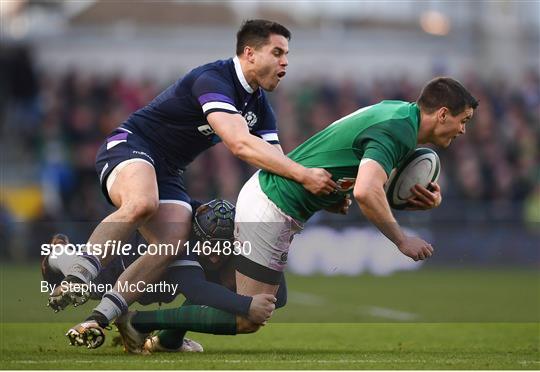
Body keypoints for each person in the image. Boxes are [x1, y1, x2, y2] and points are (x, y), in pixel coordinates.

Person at [49, 19, 336, 333]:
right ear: (250, 53)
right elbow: (239, 143)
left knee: (171, 242)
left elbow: (277, 165)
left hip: (169, 171)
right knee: (142, 202)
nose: (285, 62)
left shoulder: (260, 108)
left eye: (287, 55)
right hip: (131, 145)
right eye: (278, 52)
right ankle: (77, 275)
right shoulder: (214, 79)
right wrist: (305, 174)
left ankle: (100, 317)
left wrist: (319, 196)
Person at [228, 77, 479, 332]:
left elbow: (349, 155)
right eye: (464, 120)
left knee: (271, 299)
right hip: (270, 202)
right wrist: (401, 240)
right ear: (443, 114)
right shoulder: (399, 129)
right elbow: (367, 191)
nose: (463, 130)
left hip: (274, 200)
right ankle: (185, 319)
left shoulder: (401, 115)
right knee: (250, 317)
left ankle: (201, 288)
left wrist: (334, 196)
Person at [42, 200, 287, 351]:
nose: (214, 256)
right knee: (85, 285)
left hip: (162, 283)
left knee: (218, 286)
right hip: (123, 272)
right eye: (208, 247)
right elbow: (196, 291)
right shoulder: (181, 238)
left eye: (221, 248)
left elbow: (280, 295)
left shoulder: (232, 233)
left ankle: (167, 342)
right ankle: (58, 255)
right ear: (197, 235)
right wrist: (248, 304)